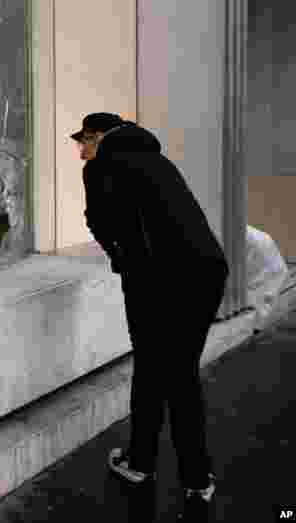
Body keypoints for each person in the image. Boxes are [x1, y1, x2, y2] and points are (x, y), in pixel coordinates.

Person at [72, 112, 229, 522]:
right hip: (207, 271)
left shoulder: (103, 165)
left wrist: (124, 261)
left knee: (162, 371)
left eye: (84, 140)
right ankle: (168, 467)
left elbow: (102, 223)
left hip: (161, 279)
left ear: (101, 137)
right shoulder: (156, 160)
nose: (81, 150)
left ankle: (179, 472)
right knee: (176, 371)